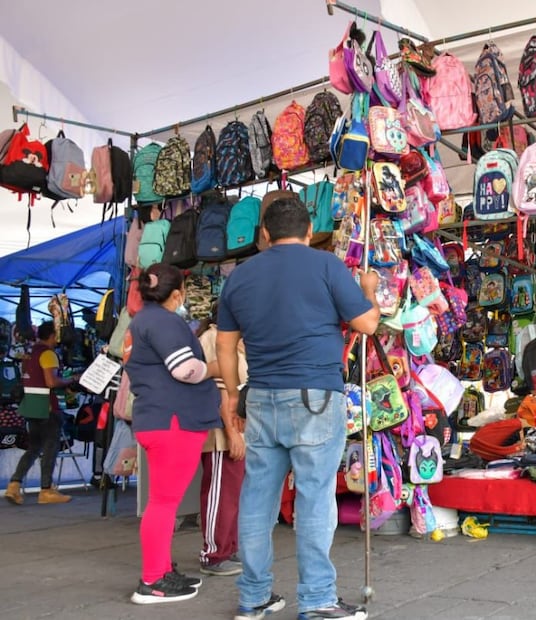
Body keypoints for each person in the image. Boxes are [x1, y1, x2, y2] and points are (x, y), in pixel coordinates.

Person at [217, 196, 379, 620]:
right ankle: (317, 599)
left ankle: (254, 597)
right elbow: (367, 323)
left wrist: (232, 394)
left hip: (261, 398)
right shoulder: (326, 265)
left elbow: (225, 346)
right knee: (314, 498)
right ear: (309, 232)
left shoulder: (239, 276)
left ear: (264, 235)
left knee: (257, 499)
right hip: (315, 396)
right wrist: (368, 290)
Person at [127, 263, 221, 604]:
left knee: (163, 502)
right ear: (178, 294)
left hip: (159, 418)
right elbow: (184, 369)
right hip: (173, 421)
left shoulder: (143, 320)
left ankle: (162, 570)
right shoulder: (164, 322)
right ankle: (153, 580)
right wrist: (216, 367)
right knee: (164, 503)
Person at [195, 306, 247, 577]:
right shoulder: (214, 339)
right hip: (221, 432)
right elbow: (221, 392)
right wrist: (232, 433)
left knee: (232, 494)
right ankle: (214, 553)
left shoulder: (234, 341)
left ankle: (227, 547)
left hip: (235, 429)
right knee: (220, 493)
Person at [4, 321, 77, 505]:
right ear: (52, 335)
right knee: (51, 448)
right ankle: (46, 490)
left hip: (31, 406)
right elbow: (52, 382)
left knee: (34, 448)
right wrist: (71, 380)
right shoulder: (48, 354)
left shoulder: (29, 353)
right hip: (47, 407)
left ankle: (14, 485)